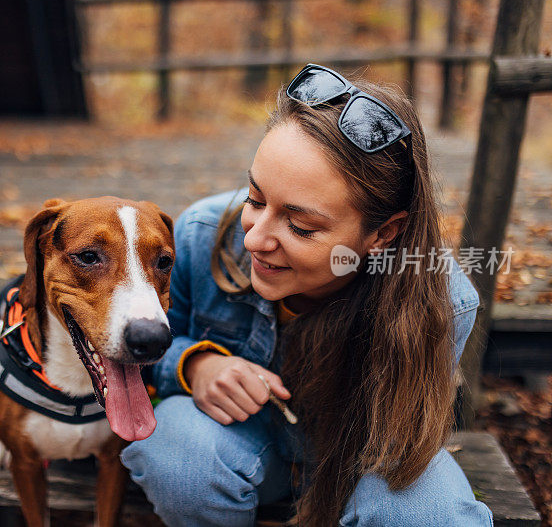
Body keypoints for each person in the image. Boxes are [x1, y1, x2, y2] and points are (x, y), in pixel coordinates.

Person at [120, 64, 493, 527]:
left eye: (300, 226)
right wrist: (196, 364)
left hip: (367, 460)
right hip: (241, 444)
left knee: (431, 516)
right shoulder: (199, 235)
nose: (255, 239)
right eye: (255, 200)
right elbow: (142, 351)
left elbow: (401, 443)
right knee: (179, 456)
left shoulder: (442, 301)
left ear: (383, 233)